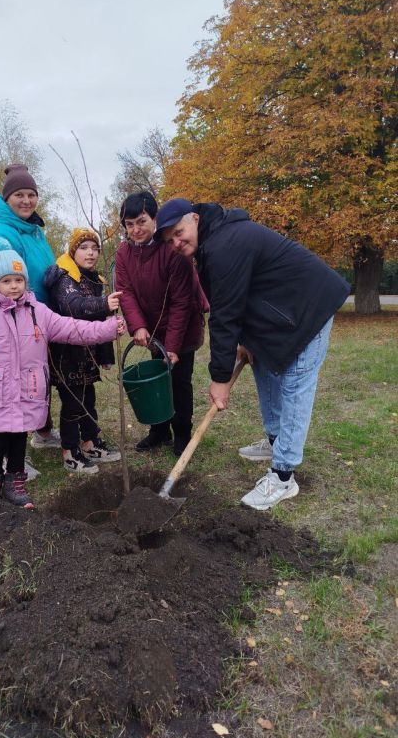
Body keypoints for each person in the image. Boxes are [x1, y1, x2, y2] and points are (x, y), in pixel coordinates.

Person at [154, 198, 350, 510]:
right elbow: (238, 296)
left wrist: (219, 378)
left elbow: (224, 316)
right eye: (170, 240)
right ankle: (276, 442)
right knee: (265, 368)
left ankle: (284, 477)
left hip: (309, 307)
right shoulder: (213, 242)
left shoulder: (223, 245)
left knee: (295, 385)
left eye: (179, 232)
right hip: (281, 312)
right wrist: (246, 340)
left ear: (194, 218)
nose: (176, 243)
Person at [0, 239, 124, 507]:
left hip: (27, 391)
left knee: (20, 438)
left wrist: (106, 329)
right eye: (7, 281)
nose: (13, 286)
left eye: (18, 280)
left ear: (25, 282)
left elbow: (72, 329)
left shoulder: (38, 312)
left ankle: (15, 480)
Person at [115, 191, 208, 456]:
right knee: (156, 378)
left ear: (154, 219)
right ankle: (159, 430)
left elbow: (182, 302)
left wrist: (174, 347)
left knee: (178, 381)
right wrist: (139, 326)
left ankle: (182, 433)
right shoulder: (124, 252)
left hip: (183, 328)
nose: (136, 229)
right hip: (152, 330)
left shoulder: (173, 250)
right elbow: (126, 291)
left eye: (141, 221)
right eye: (129, 224)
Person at [0, 163, 59, 458]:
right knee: (15, 386)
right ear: (6, 198)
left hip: (37, 317)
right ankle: (9, 459)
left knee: (37, 378)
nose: (26, 201)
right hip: (12, 320)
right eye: (19, 195)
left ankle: (43, 431)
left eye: (31, 194)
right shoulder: (0, 234)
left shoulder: (33, 230)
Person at [44, 228, 122, 473]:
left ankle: (89, 442)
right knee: (72, 403)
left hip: (88, 353)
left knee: (88, 399)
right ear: (73, 251)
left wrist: (106, 355)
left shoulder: (93, 279)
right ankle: (70, 451)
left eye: (95, 248)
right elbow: (74, 307)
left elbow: (100, 321)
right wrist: (104, 303)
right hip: (67, 354)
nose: (91, 253)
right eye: (84, 248)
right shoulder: (64, 277)